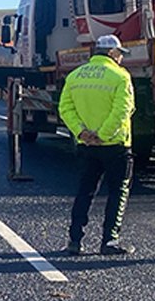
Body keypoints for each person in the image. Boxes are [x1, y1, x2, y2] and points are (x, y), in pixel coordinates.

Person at [58, 34, 136, 256]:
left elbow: (65, 108)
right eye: (120, 54)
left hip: (86, 146)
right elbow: (123, 110)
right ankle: (109, 241)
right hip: (115, 145)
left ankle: (74, 240)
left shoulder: (75, 76)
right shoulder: (120, 77)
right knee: (118, 190)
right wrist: (103, 134)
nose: (121, 58)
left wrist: (82, 132)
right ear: (112, 53)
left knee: (85, 191)